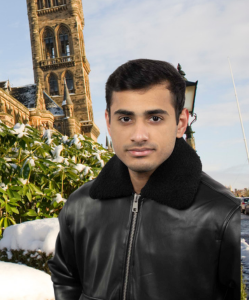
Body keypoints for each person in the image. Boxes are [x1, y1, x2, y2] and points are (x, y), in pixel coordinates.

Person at [48, 59, 240, 300]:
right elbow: (65, 276)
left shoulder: (224, 214)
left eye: (155, 118)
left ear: (181, 123)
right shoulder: (79, 205)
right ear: (108, 122)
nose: (138, 135)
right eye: (125, 119)